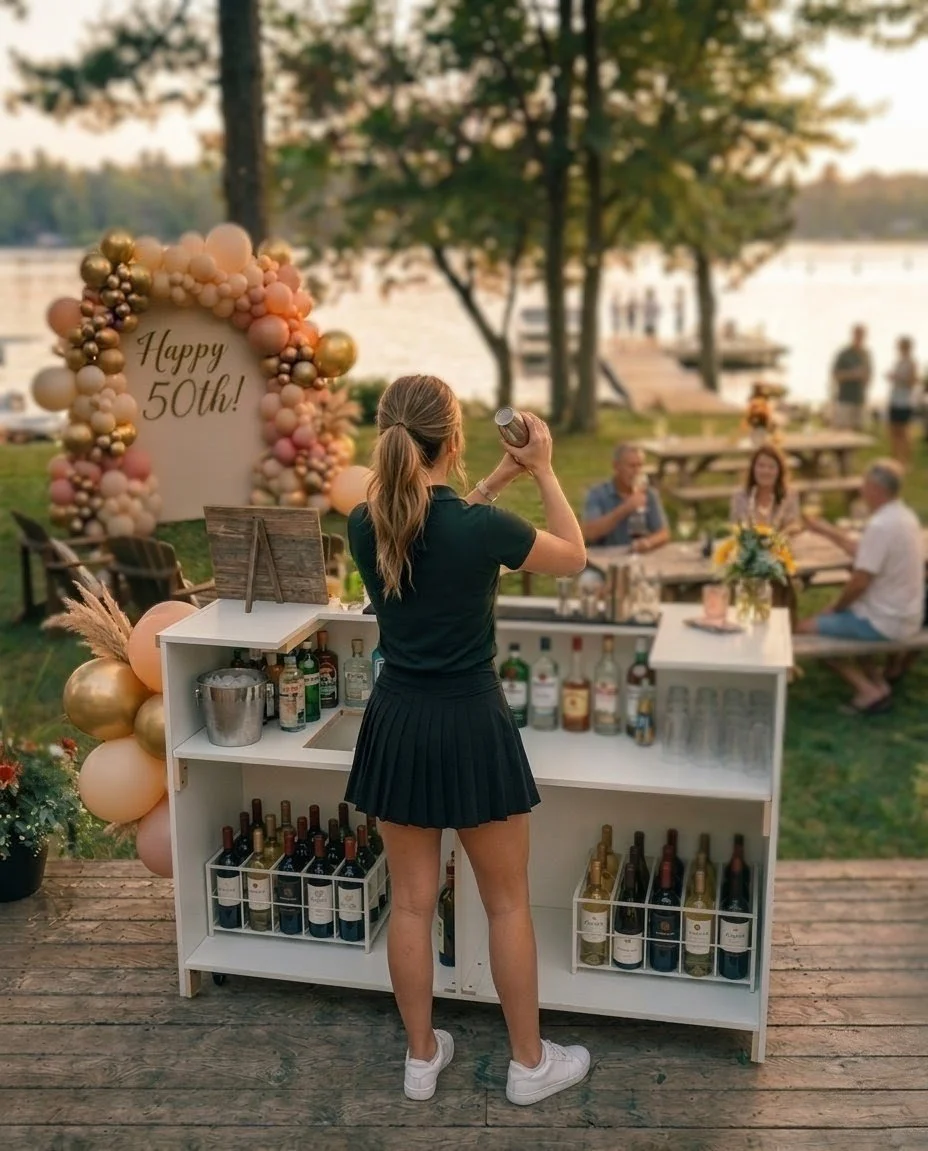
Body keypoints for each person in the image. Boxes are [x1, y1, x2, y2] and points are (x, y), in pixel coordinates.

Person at [345, 375, 590, 1107]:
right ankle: (528, 1063)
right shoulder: (484, 530)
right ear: (452, 440)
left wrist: (491, 480)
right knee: (507, 904)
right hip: (471, 723)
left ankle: (422, 1058)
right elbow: (574, 555)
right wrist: (541, 468)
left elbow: (437, 520)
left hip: (398, 722)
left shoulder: (368, 521)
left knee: (412, 904)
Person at [797, 460, 925, 714]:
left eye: (865, 485)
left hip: (886, 620)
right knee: (846, 616)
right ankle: (878, 683)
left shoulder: (880, 526)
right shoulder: (905, 517)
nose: (861, 491)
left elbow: (860, 582)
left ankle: (866, 691)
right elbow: (862, 552)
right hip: (908, 614)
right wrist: (824, 530)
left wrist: (835, 608)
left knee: (803, 630)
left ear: (876, 489)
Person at [581, 444, 670, 552]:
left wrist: (647, 543)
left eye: (640, 466)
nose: (636, 471)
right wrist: (626, 508)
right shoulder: (598, 494)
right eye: (632, 466)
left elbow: (663, 533)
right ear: (616, 466)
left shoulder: (648, 494)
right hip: (605, 557)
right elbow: (590, 533)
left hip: (638, 557)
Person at [729, 444, 801, 534]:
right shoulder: (740, 495)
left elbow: (794, 524)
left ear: (779, 471)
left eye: (771, 467)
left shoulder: (790, 494)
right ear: (753, 469)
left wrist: (777, 538)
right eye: (761, 466)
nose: (766, 471)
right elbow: (736, 526)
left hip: (782, 545)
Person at [830, 324, 872, 431]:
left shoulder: (866, 354)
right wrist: (852, 374)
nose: (860, 337)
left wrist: (865, 378)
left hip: (860, 399)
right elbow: (835, 375)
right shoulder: (844, 354)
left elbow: (869, 376)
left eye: (862, 335)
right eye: (857, 334)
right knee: (843, 432)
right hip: (845, 399)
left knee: (859, 432)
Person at [886, 336, 919, 466]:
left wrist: (897, 377)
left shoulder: (912, 363)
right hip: (894, 399)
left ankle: (906, 462)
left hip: (905, 401)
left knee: (904, 432)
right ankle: (895, 460)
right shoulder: (898, 362)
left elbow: (913, 382)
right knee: (893, 431)